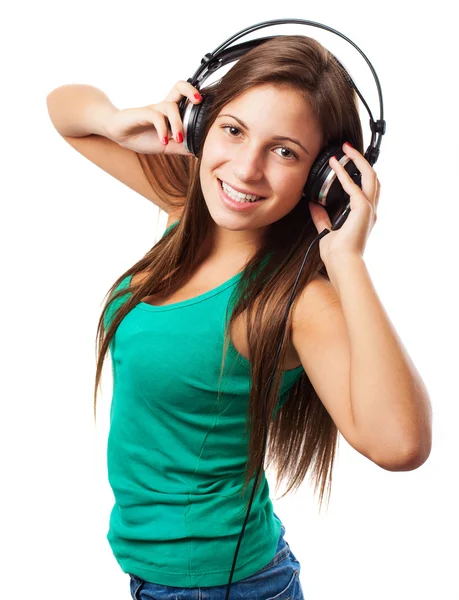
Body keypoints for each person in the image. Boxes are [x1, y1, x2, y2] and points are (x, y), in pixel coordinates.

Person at [46, 34, 432, 600]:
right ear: (202, 123)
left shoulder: (298, 303)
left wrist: (346, 261)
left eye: (284, 152)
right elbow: (64, 110)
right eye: (233, 130)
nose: (246, 169)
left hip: (220, 588)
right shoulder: (191, 208)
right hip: (168, 577)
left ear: (323, 177)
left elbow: (401, 445)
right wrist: (122, 120)